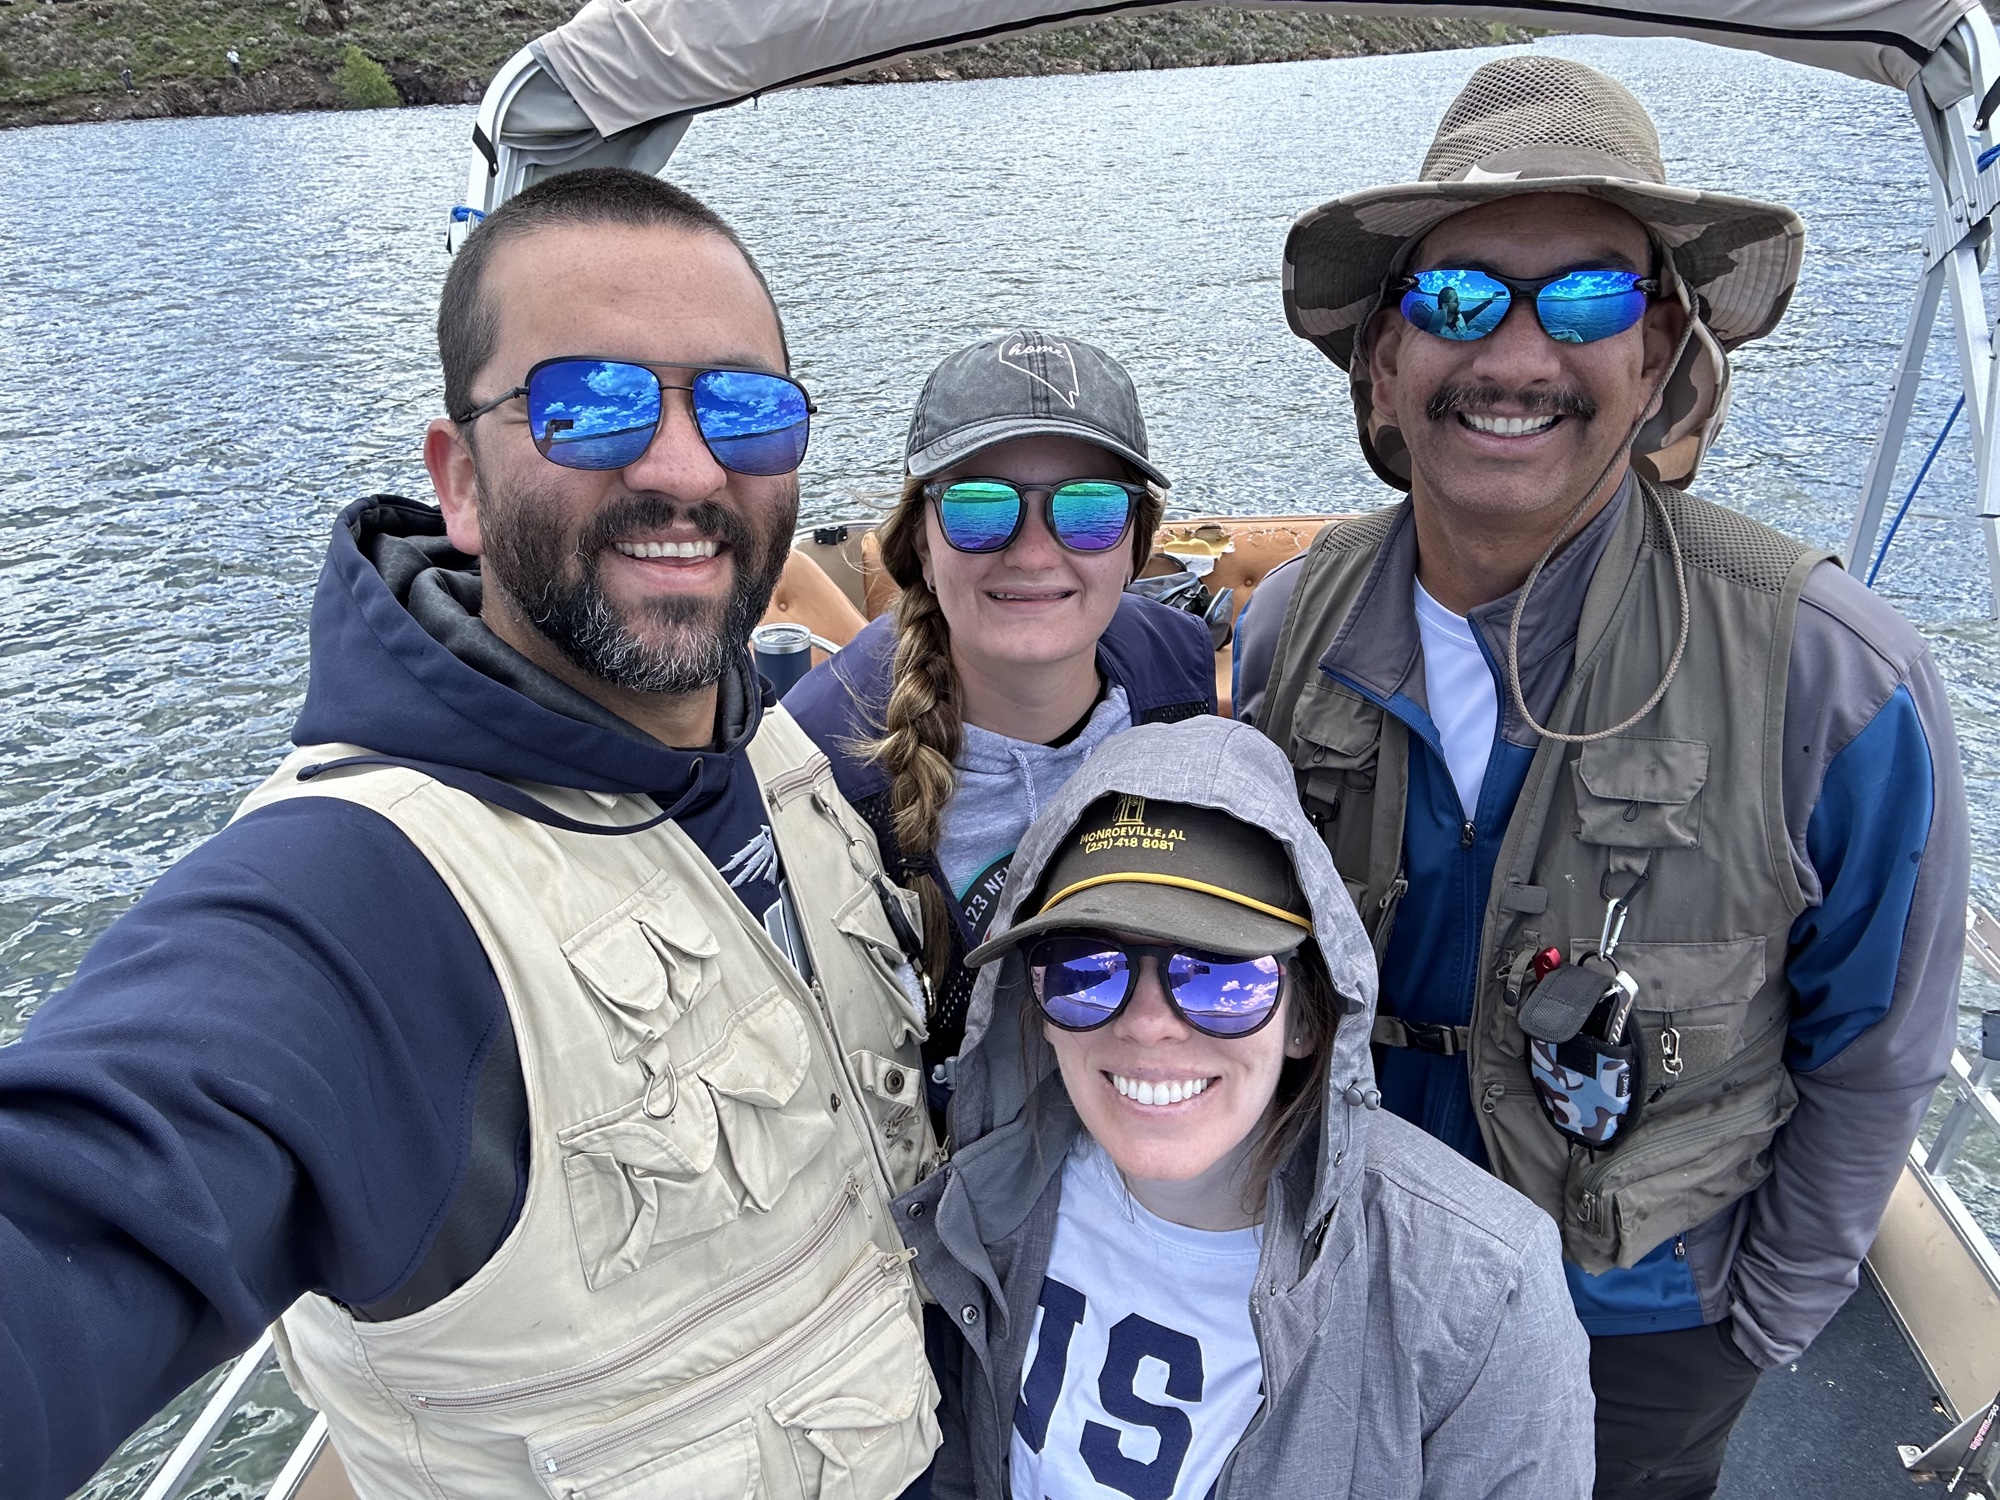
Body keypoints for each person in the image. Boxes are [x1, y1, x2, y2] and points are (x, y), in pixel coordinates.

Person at [0, 168, 940, 1500]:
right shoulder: (357, 896)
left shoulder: (759, 733)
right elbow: (78, 1202)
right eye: (590, 405)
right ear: (462, 483)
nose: (685, 469)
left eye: (743, 407)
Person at [1234, 56, 1969, 1499]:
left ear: (1660, 351)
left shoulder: (1829, 673)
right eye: (1458, 299)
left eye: (1584, 299)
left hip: (1638, 1334)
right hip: (1337, 1269)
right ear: (1384, 358)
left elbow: (1876, 1045)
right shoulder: (1287, 628)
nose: (1515, 356)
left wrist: (1754, 1326)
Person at [893, 714, 1594, 1500]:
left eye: (1220, 976)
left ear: (1305, 1019)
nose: (1149, 1025)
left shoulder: (1480, 1293)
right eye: (1087, 969)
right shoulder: (992, 1202)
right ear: (1036, 1007)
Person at [785, 331, 1215, 1113]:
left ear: (1135, 545)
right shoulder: (814, 765)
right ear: (922, 541)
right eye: (980, 508)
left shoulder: (1179, 681)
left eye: (1089, 509)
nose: (1034, 553)